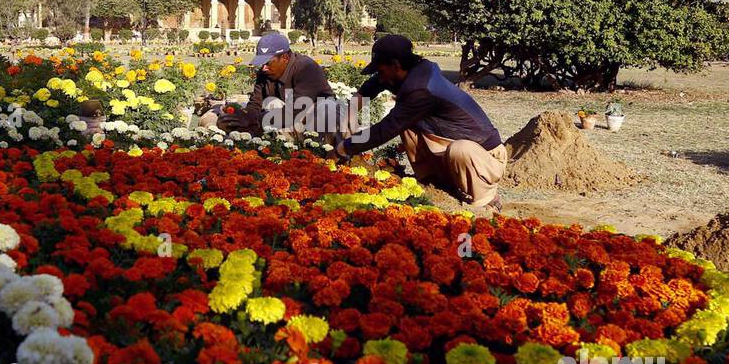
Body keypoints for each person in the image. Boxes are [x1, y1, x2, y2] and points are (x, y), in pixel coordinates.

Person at [336, 35, 507, 210]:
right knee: (410, 126)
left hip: (485, 156)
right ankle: (433, 181)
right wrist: (348, 115)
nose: (379, 77)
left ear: (395, 65)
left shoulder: (421, 88)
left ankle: (486, 197)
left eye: (380, 71)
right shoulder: (411, 70)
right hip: (451, 144)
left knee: (459, 149)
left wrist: (344, 148)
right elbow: (373, 85)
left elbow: (386, 129)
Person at [204, 31, 335, 136]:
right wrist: (242, 117)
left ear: (285, 58)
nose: (263, 68)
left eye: (268, 62)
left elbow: (294, 112)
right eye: (262, 63)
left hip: (320, 116)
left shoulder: (307, 68)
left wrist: (254, 120)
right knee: (270, 105)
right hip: (286, 116)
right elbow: (255, 105)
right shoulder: (265, 72)